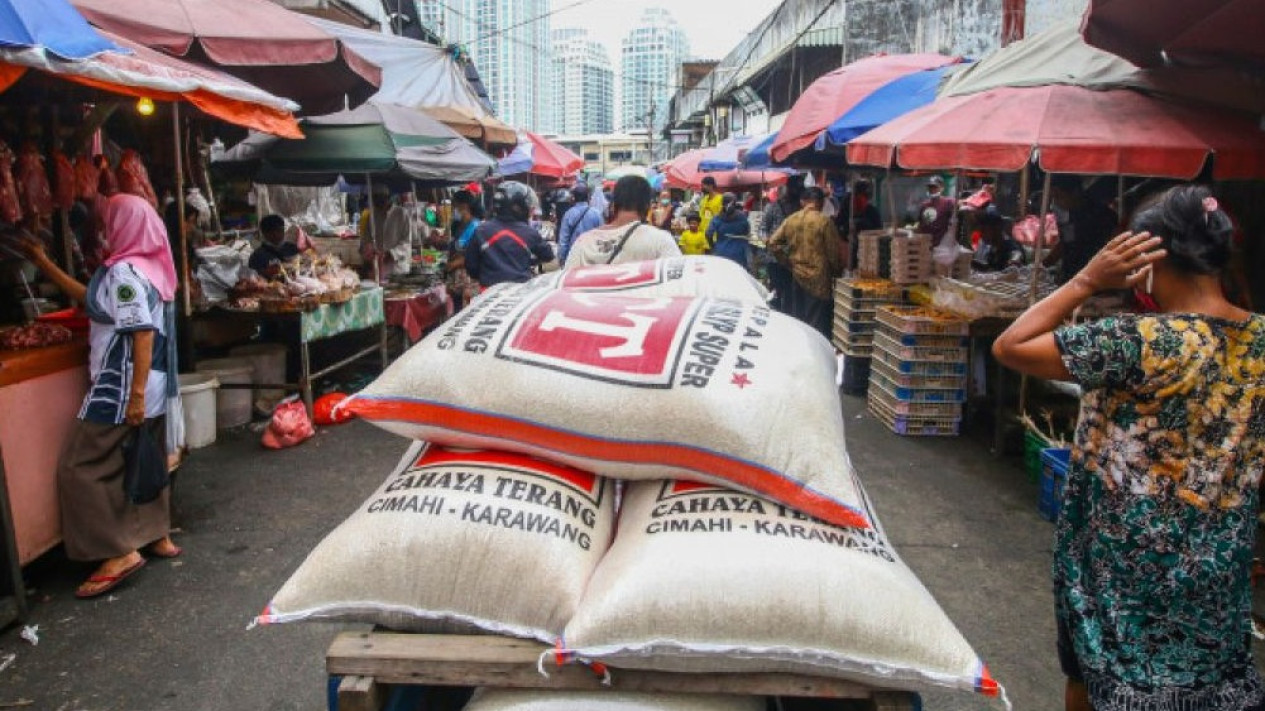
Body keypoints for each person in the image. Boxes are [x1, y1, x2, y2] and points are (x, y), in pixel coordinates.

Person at [992, 185, 1265, 711]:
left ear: (1146, 257)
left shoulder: (1136, 340)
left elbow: (1012, 345)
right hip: (1217, 565)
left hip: (1122, 568)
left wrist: (1086, 279)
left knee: (1103, 684)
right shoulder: (1258, 340)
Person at [20, 193, 182, 599]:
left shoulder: (124, 273)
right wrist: (43, 262)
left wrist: (136, 396)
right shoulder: (153, 268)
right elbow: (94, 303)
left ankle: (116, 551)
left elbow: (140, 332)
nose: (104, 230)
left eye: (109, 222)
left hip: (122, 384)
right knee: (139, 453)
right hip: (157, 382)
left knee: (80, 467)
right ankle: (156, 534)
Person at [767, 186, 843, 339]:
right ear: (820, 203)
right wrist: (837, 273)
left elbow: (772, 243)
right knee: (818, 321)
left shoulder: (791, 219)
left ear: (803, 202)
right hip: (819, 279)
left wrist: (786, 262)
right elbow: (833, 252)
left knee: (799, 317)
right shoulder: (824, 221)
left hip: (797, 275)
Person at [564, 175, 681, 268]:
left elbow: (566, 285)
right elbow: (677, 283)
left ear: (613, 206)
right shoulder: (661, 240)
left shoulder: (583, 242)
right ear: (647, 207)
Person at [464, 181, 554, 288]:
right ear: (517, 207)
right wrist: (528, 260)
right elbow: (548, 255)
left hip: (488, 292)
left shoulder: (481, 230)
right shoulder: (529, 232)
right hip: (520, 291)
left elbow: (471, 266)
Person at [1042, 175, 1119, 284]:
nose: (1056, 202)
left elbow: (1114, 245)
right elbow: (1065, 243)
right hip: (1070, 277)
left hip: (1096, 279)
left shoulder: (1103, 215)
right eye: (1053, 198)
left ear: (1075, 192)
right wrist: (1042, 265)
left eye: (1058, 196)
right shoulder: (1067, 214)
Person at [761, 178, 803, 313]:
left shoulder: (801, 209)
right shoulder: (772, 207)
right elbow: (762, 229)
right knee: (776, 290)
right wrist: (767, 241)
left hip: (795, 259)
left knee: (792, 292)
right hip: (774, 257)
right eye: (793, 189)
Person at [444, 190, 482, 310]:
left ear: (464, 206)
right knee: (456, 309)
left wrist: (456, 263)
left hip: (468, 279)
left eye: (454, 206)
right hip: (456, 279)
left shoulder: (476, 227)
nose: (453, 210)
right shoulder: (458, 226)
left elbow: (476, 254)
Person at [557, 184, 603, 265]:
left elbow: (563, 240)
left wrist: (562, 258)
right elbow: (602, 236)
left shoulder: (568, 214)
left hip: (573, 256)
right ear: (588, 197)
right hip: (592, 256)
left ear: (573, 198)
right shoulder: (596, 214)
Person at [970, 206, 1025, 272]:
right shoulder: (992, 248)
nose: (981, 235)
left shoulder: (1012, 248)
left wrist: (1014, 262)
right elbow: (991, 269)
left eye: (983, 231)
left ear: (997, 228)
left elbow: (1014, 264)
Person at [706, 192, 751, 270]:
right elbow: (747, 232)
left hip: (721, 253)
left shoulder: (717, 218)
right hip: (739, 253)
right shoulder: (742, 217)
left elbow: (708, 234)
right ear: (735, 203)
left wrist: (713, 247)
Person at [917, 175, 957, 246]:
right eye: (930, 187)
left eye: (935, 187)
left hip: (941, 245)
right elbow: (921, 225)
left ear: (942, 188)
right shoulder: (924, 205)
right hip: (925, 244)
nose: (932, 190)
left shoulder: (948, 202)